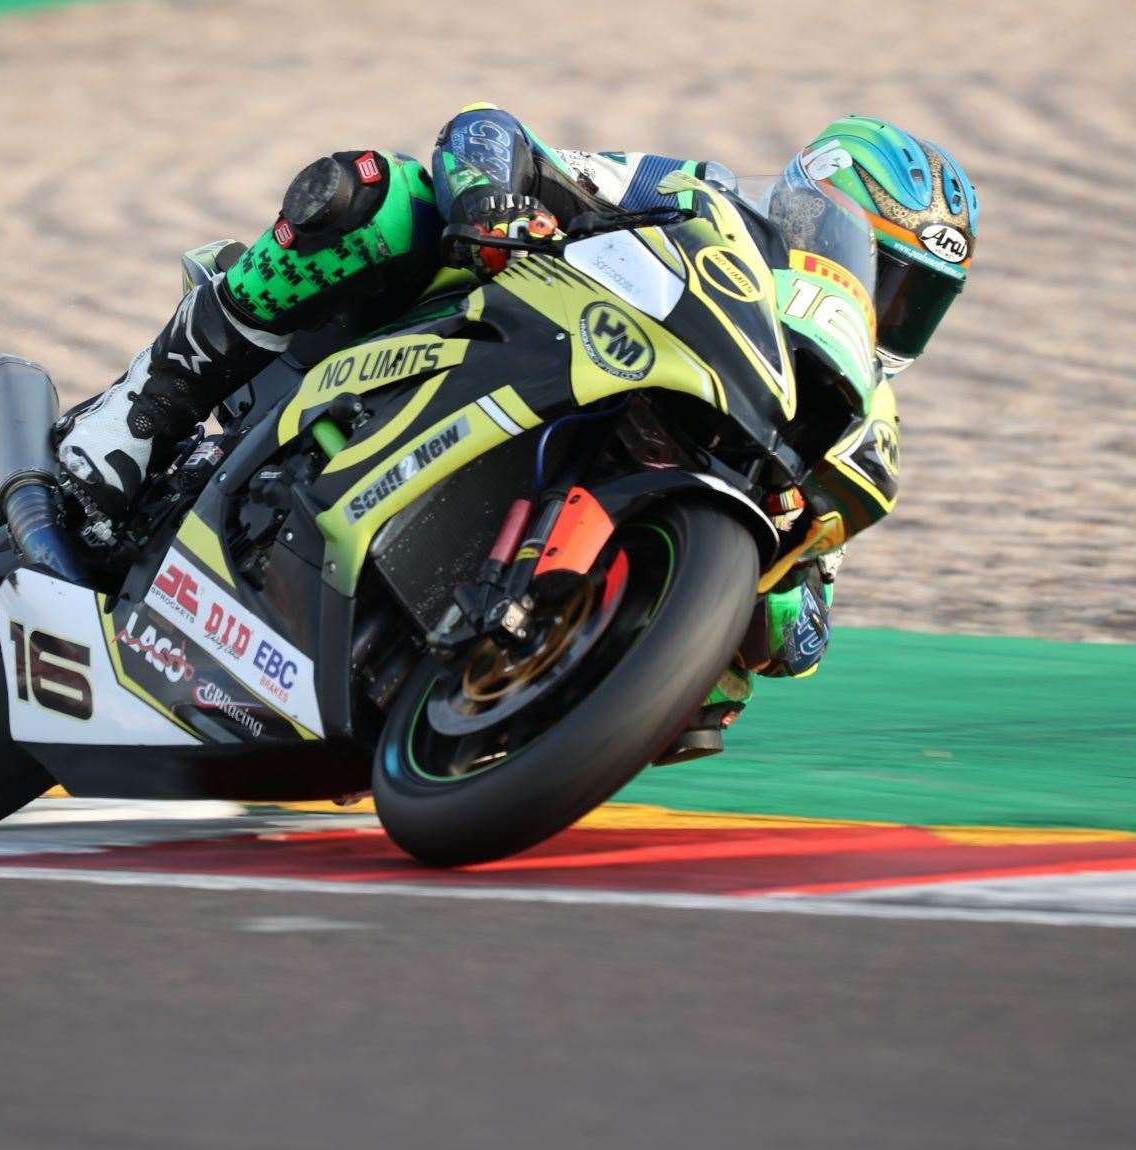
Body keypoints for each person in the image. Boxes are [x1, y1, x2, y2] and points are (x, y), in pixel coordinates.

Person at [56, 105, 978, 753]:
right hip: (478, 338)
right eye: (878, 270)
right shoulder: (701, 196)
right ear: (809, 210)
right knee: (376, 194)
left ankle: (500, 680)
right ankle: (138, 414)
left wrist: (778, 601)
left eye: (914, 302)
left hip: (581, 511)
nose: (882, 308)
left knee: (716, 688)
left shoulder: (853, 417)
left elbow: (809, 619)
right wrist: (496, 197)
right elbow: (490, 133)